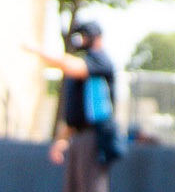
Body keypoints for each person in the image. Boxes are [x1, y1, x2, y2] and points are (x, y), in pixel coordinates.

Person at [26, 19, 119, 192]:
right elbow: (77, 115)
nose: (82, 40)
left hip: (93, 137)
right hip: (78, 136)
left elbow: (73, 66)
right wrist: (61, 139)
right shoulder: (86, 64)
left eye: (85, 36)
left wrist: (38, 50)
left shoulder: (100, 61)